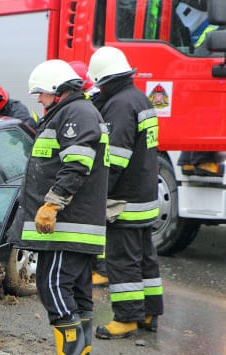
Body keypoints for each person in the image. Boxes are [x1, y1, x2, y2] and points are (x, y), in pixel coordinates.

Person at [12, 59, 109, 355]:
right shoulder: (73, 112)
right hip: (76, 224)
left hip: (67, 224)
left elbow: (78, 163)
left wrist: (52, 204)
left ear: (57, 90)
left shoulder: (75, 113)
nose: (38, 100)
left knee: (52, 286)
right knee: (78, 293)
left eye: (40, 93)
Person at [88, 46, 164, 338]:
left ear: (103, 79)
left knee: (122, 260)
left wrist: (98, 192)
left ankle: (127, 318)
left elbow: (115, 159)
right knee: (145, 257)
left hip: (125, 200)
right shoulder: (139, 97)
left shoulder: (119, 105)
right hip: (144, 194)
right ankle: (147, 312)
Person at [68, 60, 108, 286]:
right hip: (98, 171)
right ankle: (96, 267)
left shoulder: (89, 106)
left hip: (94, 172)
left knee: (98, 222)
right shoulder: (93, 102)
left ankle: (101, 269)